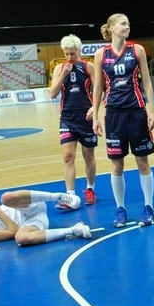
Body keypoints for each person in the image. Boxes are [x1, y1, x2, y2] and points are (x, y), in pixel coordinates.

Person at [90, 13, 154, 228]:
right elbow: (98, 87)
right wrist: (95, 114)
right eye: (122, 23)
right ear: (111, 28)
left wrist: (152, 111)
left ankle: (148, 208)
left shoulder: (137, 50)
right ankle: (121, 209)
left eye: (128, 23)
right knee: (116, 164)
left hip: (136, 111)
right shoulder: (101, 54)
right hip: (113, 114)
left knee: (142, 161)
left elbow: (146, 82)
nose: (127, 26)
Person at [49, 34, 98, 207]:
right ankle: (70, 196)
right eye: (67, 53)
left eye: (73, 53)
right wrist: (63, 75)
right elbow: (52, 94)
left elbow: (102, 89)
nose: (69, 57)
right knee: (68, 156)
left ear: (79, 51)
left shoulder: (88, 66)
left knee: (89, 156)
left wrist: (96, 108)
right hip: (67, 118)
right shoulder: (59, 68)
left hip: (87, 117)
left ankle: (90, 189)